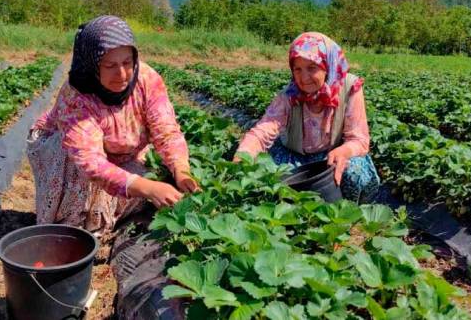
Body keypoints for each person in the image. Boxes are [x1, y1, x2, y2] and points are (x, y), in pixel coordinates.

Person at [28, 15, 197, 235]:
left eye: (127, 62)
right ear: (93, 65)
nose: (122, 74)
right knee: (73, 163)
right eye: (110, 65)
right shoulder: (77, 95)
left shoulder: (146, 79)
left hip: (121, 151)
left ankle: (105, 217)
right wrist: (147, 188)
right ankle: (70, 227)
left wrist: (181, 170)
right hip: (64, 150)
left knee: (160, 175)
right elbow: (89, 162)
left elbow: (166, 131)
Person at [235, 32, 380, 202]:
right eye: (298, 69)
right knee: (269, 176)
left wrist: (344, 151)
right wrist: (241, 158)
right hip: (294, 156)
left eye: (312, 68)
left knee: (354, 172)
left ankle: (348, 211)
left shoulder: (349, 88)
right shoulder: (289, 95)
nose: (304, 78)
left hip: (332, 154)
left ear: (327, 65)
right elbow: (263, 131)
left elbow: (359, 140)